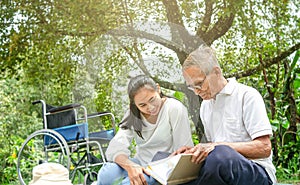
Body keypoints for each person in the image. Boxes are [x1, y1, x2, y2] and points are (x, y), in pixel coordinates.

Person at [177, 45, 276, 185]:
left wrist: (217, 146)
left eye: (199, 83)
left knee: (219, 155)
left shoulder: (247, 96)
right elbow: (211, 150)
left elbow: (264, 148)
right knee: (172, 167)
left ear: (216, 72)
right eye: (191, 87)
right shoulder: (206, 105)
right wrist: (193, 152)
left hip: (257, 172)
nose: (196, 91)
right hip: (222, 170)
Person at [97, 75, 194, 185]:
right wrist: (131, 166)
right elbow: (115, 147)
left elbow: (184, 150)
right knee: (106, 174)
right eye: (142, 105)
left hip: (164, 167)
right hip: (140, 163)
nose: (151, 107)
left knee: (128, 183)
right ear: (135, 104)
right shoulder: (133, 114)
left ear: (158, 89)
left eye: (152, 99)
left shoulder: (174, 108)